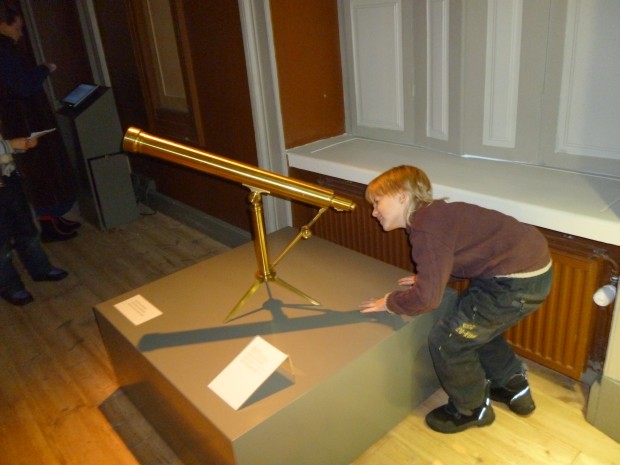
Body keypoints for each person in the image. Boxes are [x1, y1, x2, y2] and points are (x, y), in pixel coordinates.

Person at [359, 165, 552, 434]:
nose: (374, 212)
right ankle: (513, 387)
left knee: (448, 341)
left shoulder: (426, 229)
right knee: (473, 328)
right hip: (527, 269)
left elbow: (428, 299)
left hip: (514, 282)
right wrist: (428, 276)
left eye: (377, 202)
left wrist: (391, 303)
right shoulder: (435, 216)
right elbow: (457, 256)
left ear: (402, 195)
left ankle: (472, 409)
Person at [0, 2, 79, 242]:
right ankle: (48, 222)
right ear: (3, 25)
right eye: (17, 28)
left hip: (23, 118)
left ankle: (54, 217)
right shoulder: (4, 51)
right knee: (42, 170)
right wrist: (44, 69)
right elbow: (23, 86)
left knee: (45, 168)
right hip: (25, 120)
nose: (20, 34)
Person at [1, 132, 68, 306]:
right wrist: (10, 145)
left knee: (27, 230)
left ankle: (41, 269)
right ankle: (10, 287)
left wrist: (21, 145)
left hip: (7, 179)